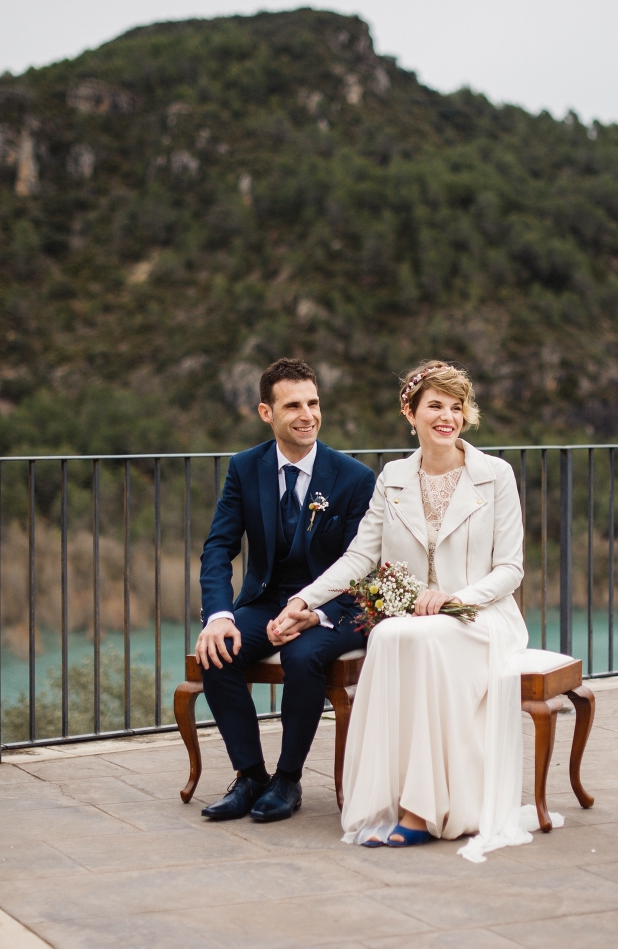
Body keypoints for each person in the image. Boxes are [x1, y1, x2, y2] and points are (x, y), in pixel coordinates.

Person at [272, 360, 553, 860]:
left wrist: (454, 599)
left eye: (456, 407)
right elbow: (360, 557)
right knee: (390, 635)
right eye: (435, 406)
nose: (447, 417)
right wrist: (303, 599)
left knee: (416, 638)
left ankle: (422, 812)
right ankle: (390, 800)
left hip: (482, 616)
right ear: (411, 413)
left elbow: (510, 569)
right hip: (415, 619)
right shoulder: (394, 476)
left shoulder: (496, 476)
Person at [194, 358, 376, 823]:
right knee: (219, 649)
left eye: (313, 403)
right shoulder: (244, 468)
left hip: (337, 607)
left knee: (303, 655)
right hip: (268, 599)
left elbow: (365, 567)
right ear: (265, 413)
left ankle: (288, 779)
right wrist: (218, 615)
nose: (307, 415)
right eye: (293, 405)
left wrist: (315, 612)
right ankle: (251, 775)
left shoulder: (354, 478)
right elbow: (218, 548)